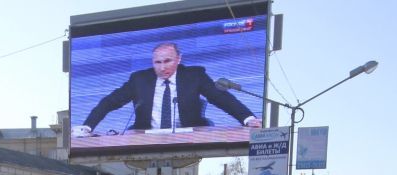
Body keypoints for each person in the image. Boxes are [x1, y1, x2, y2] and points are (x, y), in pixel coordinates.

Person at [72, 42, 261, 137]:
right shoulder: (139, 79)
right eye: (157, 62)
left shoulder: (194, 75)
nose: (162, 67)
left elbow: (221, 98)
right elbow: (110, 101)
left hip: (187, 137)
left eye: (167, 61)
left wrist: (248, 118)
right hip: (147, 138)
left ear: (179, 59)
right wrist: (88, 126)